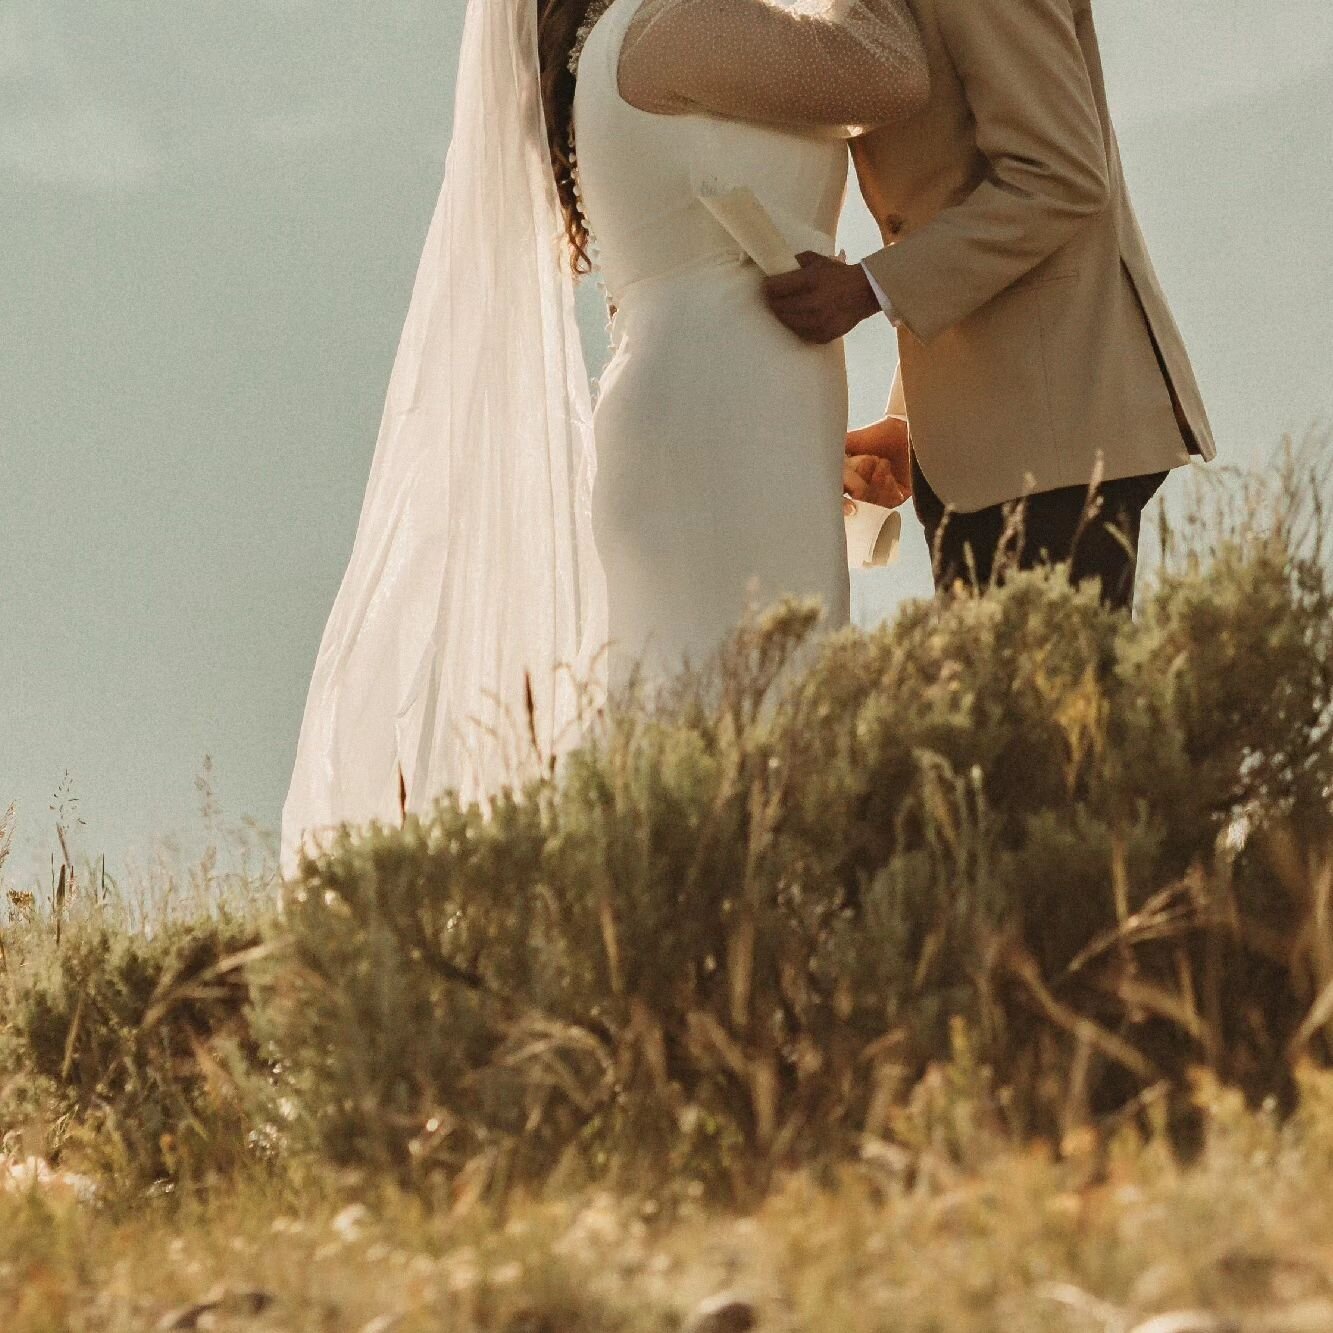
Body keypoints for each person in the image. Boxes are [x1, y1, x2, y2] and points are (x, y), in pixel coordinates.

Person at [280, 0, 927, 871]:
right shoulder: (671, 31)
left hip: (717, 419)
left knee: (728, 736)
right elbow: (889, 69)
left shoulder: (641, 38)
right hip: (714, 429)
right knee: (745, 738)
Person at [765, 0, 1216, 609]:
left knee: (1044, 703)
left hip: (1053, 435)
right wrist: (913, 414)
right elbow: (951, 199)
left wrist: (869, 287)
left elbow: (1059, 173)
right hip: (999, 440)